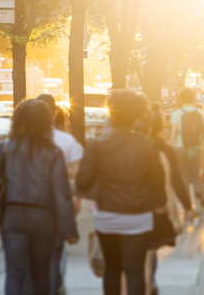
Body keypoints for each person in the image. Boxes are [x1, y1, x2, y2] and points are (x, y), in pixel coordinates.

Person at [0, 100, 78, 295]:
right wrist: (70, 229)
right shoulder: (54, 153)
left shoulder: (6, 148)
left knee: (14, 272)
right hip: (44, 219)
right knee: (40, 272)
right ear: (45, 122)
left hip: (13, 216)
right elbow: (62, 194)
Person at [76, 90, 166, 295]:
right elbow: (158, 182)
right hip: (139, 216)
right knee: (134, 270)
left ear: (112, 114)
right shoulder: (146, 145)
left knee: (112, 269)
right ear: (136, 115)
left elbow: (82, 180)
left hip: (107, 215)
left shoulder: (97, 144)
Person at [143, 102, 194, 295]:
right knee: (150, 249)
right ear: (161, 127)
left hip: (131, 205)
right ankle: (150, 283)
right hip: (156, 205)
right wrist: (187, 205)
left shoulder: (134, 146)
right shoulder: (165, 149)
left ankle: (146, 284)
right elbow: (176, 180)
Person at [36, 94, 84, 294]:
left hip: (32, 204)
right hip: (59, 203)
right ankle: (57, 285)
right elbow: (76, 175)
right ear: (54, 113)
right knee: (58, 249)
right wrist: (76, 199)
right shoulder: (67, 141)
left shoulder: (22, 141)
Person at [169, 87, 204, 211]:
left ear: (180, 99)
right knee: (197, 175)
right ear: (193, 98)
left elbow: (173, 135)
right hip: (198, 148)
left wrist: (170, 150)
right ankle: (200, 199)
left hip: (181, 148)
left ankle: (188, 207)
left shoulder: (176, 114)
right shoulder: (201, 113)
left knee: (184, 176)